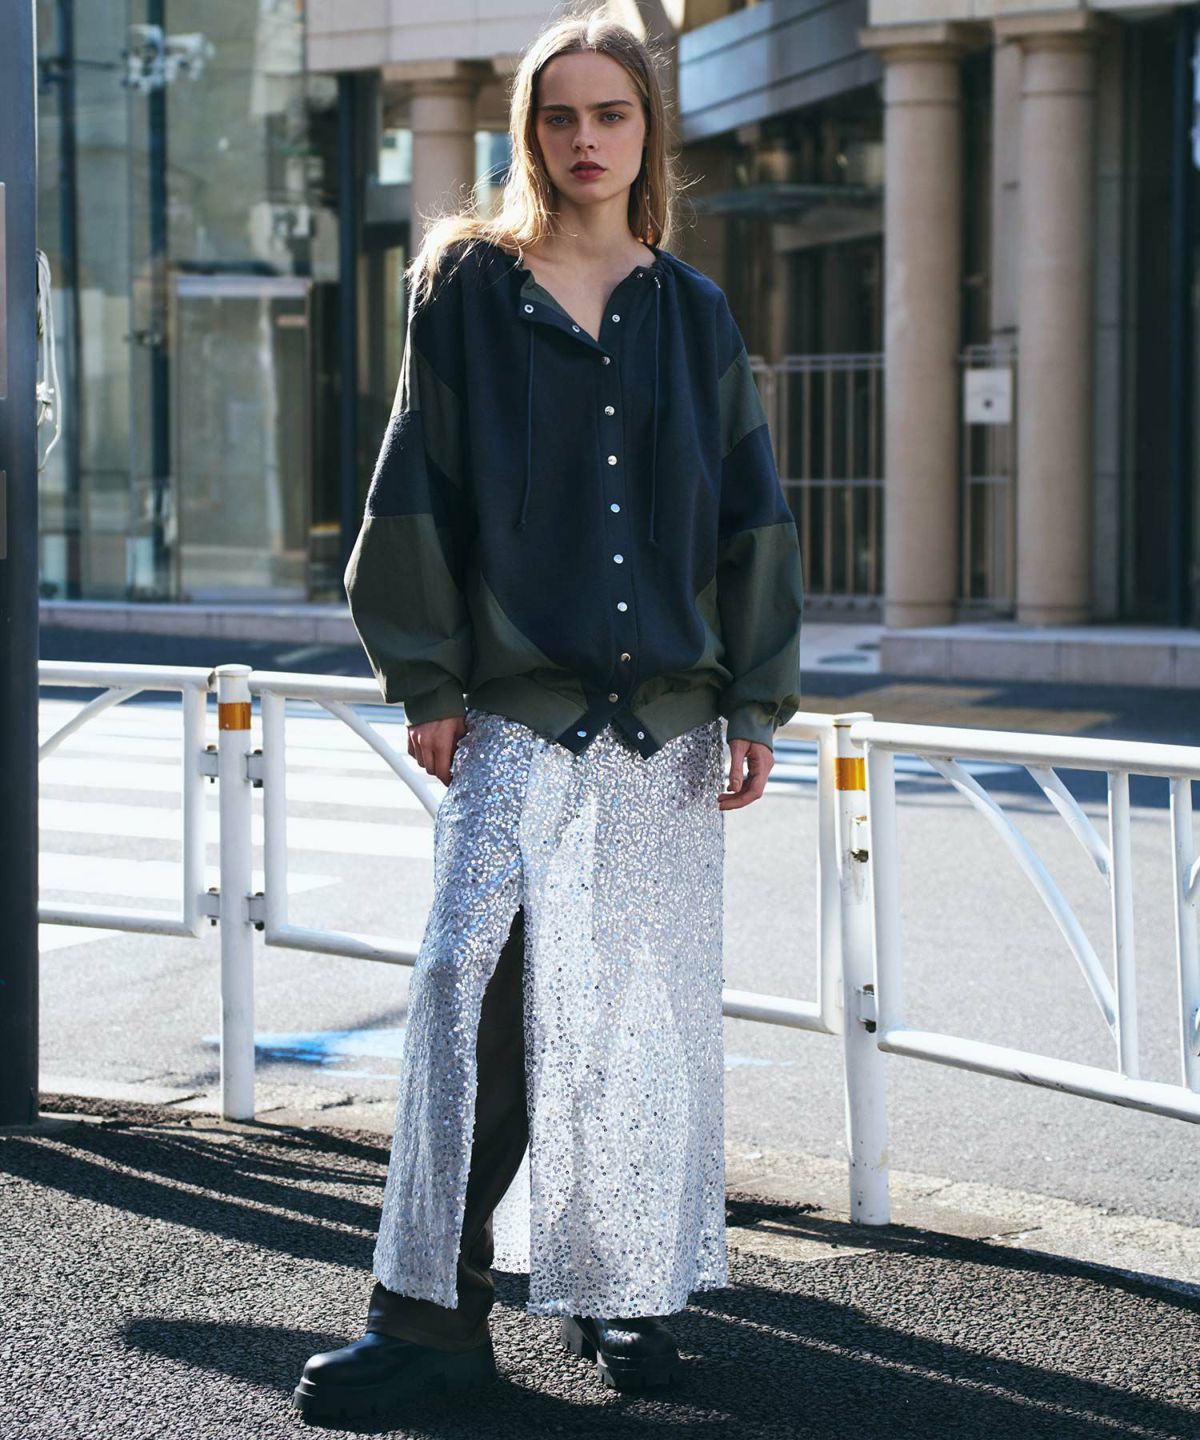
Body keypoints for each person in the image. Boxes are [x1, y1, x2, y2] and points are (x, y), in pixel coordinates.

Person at [292, 6, 803, 1426]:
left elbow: (752, 513)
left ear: (648, 131)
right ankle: (428, 1321)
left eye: (610, 114)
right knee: (469, 1002)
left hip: (671, 726)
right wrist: (427, 677)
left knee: (635, 1017)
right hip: (520, 713)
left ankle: (622, 1285)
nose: (586, 140)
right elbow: (415, 481)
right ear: (527, 133)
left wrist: (757, 697)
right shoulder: (469, 283)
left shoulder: (693, 311)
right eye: (559, 116)